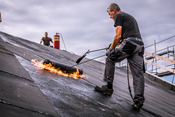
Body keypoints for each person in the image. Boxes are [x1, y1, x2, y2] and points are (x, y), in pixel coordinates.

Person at [95, 3, 145, 110]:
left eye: (110, 14)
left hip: (130, 43)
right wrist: (116, 45)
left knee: (110, 57)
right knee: (138, 74)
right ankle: (138, 101)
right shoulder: (129, 17)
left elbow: (118, 35)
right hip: (139, 45)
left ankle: (108, 88)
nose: (110, 17)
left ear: (114, 10)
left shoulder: (119, 15)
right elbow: (123, 36)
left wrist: (111, 49)